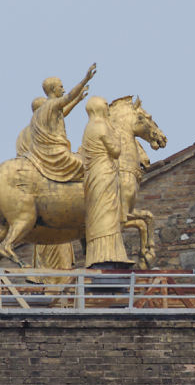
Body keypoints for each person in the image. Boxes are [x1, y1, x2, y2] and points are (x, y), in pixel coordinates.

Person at [15, 64, 95, 182]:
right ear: (53, 89)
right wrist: (85, 80)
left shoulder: (44, 110)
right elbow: (69, 97)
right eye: (61, 87)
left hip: (43, 152)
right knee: (90, 166)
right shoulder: (52, 104)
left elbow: (62, 112)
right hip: (55, 154)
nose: (63, 90)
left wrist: (78, 100)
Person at [80, 95, 129, 267]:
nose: (108, 108)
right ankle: (109, 253)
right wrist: (117, 134)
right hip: (104, 172)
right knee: (107, 211)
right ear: (99, 108)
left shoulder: (89, 127)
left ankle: (97, 253)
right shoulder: (102, 126)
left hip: (93, 174)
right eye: (106, 105)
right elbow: (115, 151)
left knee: (98, 212)